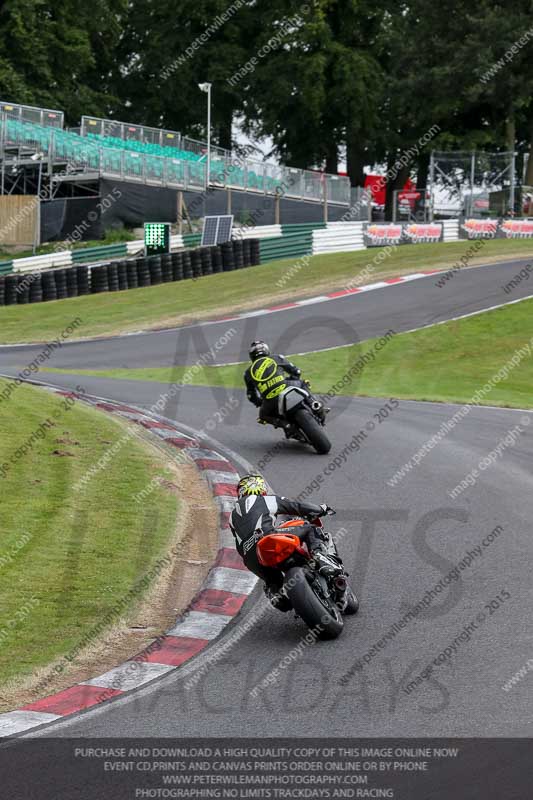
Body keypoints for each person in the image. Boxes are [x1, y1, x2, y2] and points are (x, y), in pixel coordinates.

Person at [230, 474, 345, 611]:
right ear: (260, 487)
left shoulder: (232, 517)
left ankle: (275, 592)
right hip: (268, 539)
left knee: (273, 580)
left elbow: (238, 544)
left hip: (251, 559)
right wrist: (321, 509)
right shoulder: (263, 499)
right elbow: (295, 506)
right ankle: (320, 555)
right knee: (309, 528)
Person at [243, 340, 327, 432]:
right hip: (287, 386)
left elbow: (251, 395)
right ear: (266, 350)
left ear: (251, 355)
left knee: (263, 416)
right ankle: (314, 405)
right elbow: (296, 371)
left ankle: (286, 425)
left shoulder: (247, 373)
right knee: (303, 383)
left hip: (270, 399)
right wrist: (293, 378)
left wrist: (259, 402)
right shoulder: (276, 357)